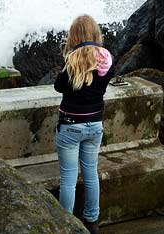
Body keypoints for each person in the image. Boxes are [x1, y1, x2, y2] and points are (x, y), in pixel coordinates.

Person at [54, 15, 115, 234]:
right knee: (91, 173)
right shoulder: (106, 61)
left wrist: (70, 61)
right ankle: (92, 221)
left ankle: (65, 223)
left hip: (70, 126)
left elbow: (58, 87)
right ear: (95, 34)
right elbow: (106, 78)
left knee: (68, 178)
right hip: (95, 125)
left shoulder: (72, 61)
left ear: (74, 35)